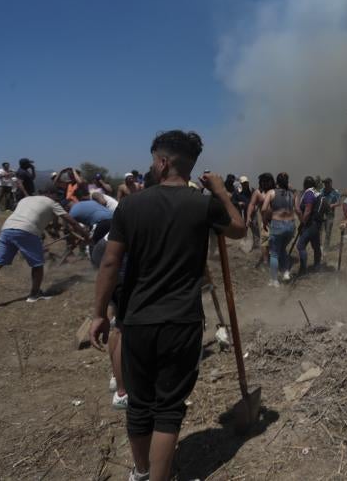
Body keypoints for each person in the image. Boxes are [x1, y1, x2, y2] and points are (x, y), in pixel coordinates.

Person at [90, 130, 245, 481]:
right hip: (182, 321)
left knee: (140, 406)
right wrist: (220, 190)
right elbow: (239, 228)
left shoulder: (131, 205)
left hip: (137, 320)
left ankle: (141, 472)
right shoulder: (203, 204)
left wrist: (99, 313)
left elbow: (110, 264)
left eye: (152, 160)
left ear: (163, 162)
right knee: (169, 410)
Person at [0, 185, 89, 305]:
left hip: (7, 229)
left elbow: (32, 215)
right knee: (38, 264)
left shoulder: (25, 199)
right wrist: (86, 235)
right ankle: (34, 294)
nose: (57, 198)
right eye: (57, 195)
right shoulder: (52, 203)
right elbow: (71, 221)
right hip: (26, 231)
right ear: (50, 194)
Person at [262, 172, 296, 287]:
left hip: (278, 225)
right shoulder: (292, 194)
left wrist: (265, 221)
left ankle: (274, 280)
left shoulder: (271, 192)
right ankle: (286, 272)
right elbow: (298, 210)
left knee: (274, 253)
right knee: (283, 249)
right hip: (291, 226)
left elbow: (263, 209)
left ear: (276, 182)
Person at [295, 176, 323, 276]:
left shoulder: (309, 193)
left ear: (305, 184)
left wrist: (303, 223)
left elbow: (307, 210)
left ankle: (303, 269)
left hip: (310, 224)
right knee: (316, 246)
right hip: (316, 224)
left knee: (300, 246)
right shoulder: (315, 192)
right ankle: (317, 266)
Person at [246, 173, 274, 267]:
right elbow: (252, 204)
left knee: (276, 241)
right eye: (264, 181)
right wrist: (248, 216)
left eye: (268, 181)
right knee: (265, 242)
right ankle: (266, 262)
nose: (266, 183)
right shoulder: (258, 192)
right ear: (261, 182)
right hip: (265, 222)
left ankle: (276, 259)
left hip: (277, 221)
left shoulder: (275, 191)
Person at [320, 178, 342, 248]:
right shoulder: (321, 191)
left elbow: (339, 202)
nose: (325, 185)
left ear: (330, 183)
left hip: (330, 214)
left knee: (328, 231)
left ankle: (326, 247)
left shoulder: (335, 192)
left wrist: (333, 205)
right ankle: (319, 246)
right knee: (319, 230)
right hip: (321, 214)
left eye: (327, 183)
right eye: (324, 183)